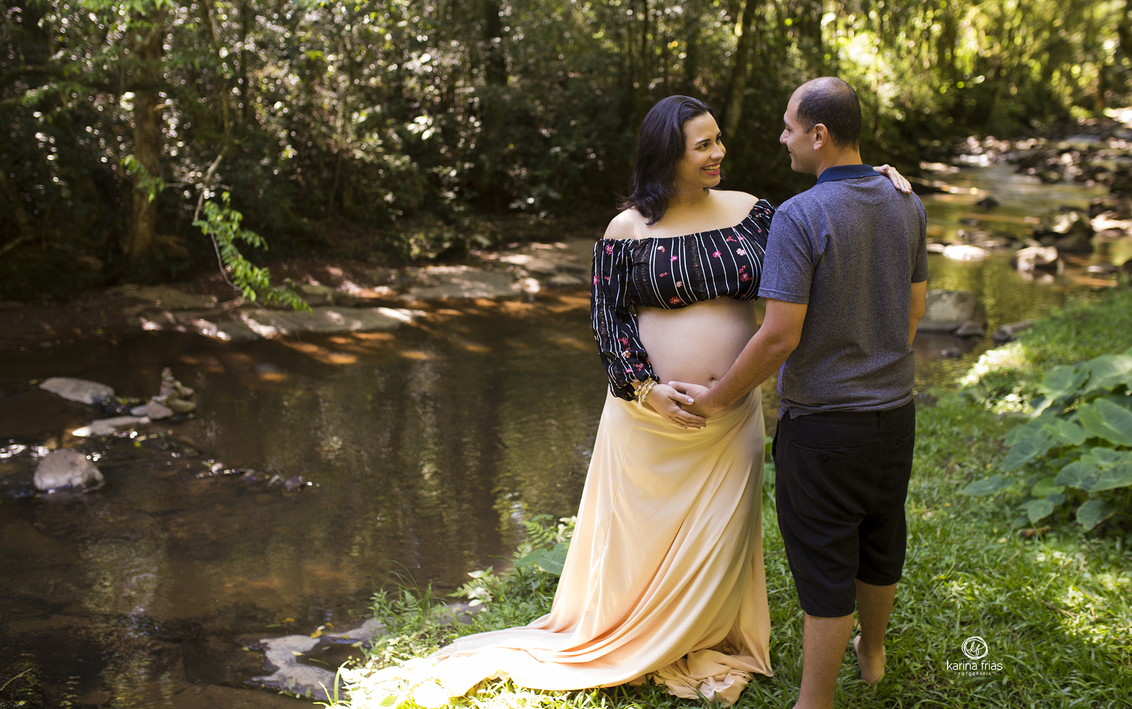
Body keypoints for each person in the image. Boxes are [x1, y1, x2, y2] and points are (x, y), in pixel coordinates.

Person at [351, 95, 908, 708]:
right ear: (669, 154)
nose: (720, 152)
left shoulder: (757, 214)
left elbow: (827, 235)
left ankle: (701, 634)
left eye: (719, 140)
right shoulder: (626, 229)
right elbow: (607, 320)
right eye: (704, 145)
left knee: (718, 545)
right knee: (642, 543)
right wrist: (646, 387)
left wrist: (879, 181)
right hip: (649, 422)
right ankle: (634, 633)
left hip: (729, 419)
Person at [671, 77, 928, 709]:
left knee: (824, 564)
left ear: (818, 135)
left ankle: (815, 703)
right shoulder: (906, 202)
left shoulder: (800, 215)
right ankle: (873, 653)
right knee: (880, 535)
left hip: (824, 426)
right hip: (895, 414)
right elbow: (914, 313)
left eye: (788, 126)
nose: (780, 137)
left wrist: (715, 398)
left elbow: (779, 336)